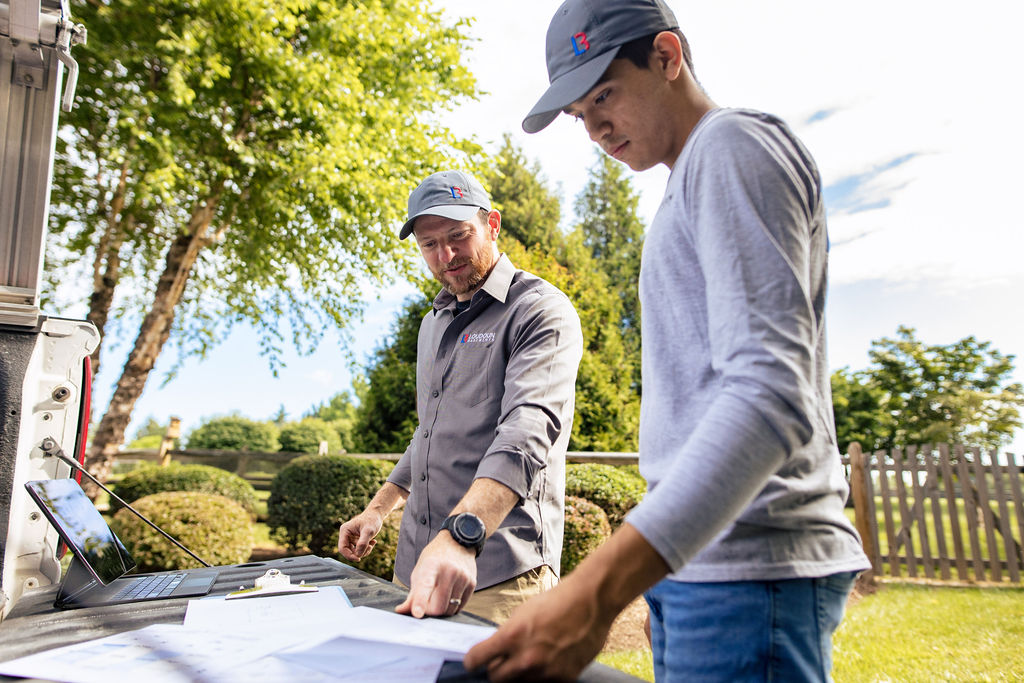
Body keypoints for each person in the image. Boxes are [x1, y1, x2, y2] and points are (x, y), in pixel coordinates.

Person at [464, 1, 870, 680]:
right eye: (579, 116)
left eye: (604, 96)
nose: (594, 127)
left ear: (667, 56)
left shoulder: (731, 148)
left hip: (753, 567)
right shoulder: (688, 183)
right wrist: (670, 567)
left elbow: (770, 392)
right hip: (709, 568)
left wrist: (599, 588)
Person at [337, 170, 583, 625]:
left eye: (458, 236)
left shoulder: (540, 310)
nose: (445, 255)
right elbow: (429, 432)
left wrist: (461, 536)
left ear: (492, 224)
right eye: (429, 244)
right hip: (414, 569)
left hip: (498, 576)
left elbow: (528, 431)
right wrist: (378, 509)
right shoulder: (433, 322)